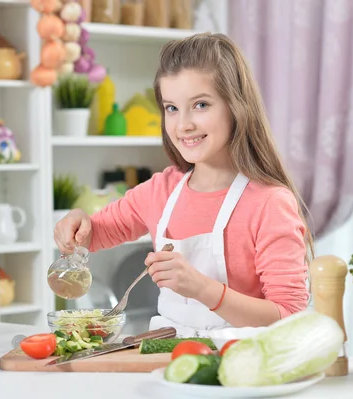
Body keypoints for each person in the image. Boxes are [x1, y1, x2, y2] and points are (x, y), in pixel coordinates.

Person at [53, 32, 312, 336]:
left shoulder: (269, 203)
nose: (183, 124)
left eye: (201, 105)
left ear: (236, 107)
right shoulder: (161, 191)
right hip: (168, 359)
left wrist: (205, 289)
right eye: (171, 108)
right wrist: (77, 224)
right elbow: (95, 234)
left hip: (244, 368)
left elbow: (288, 317)